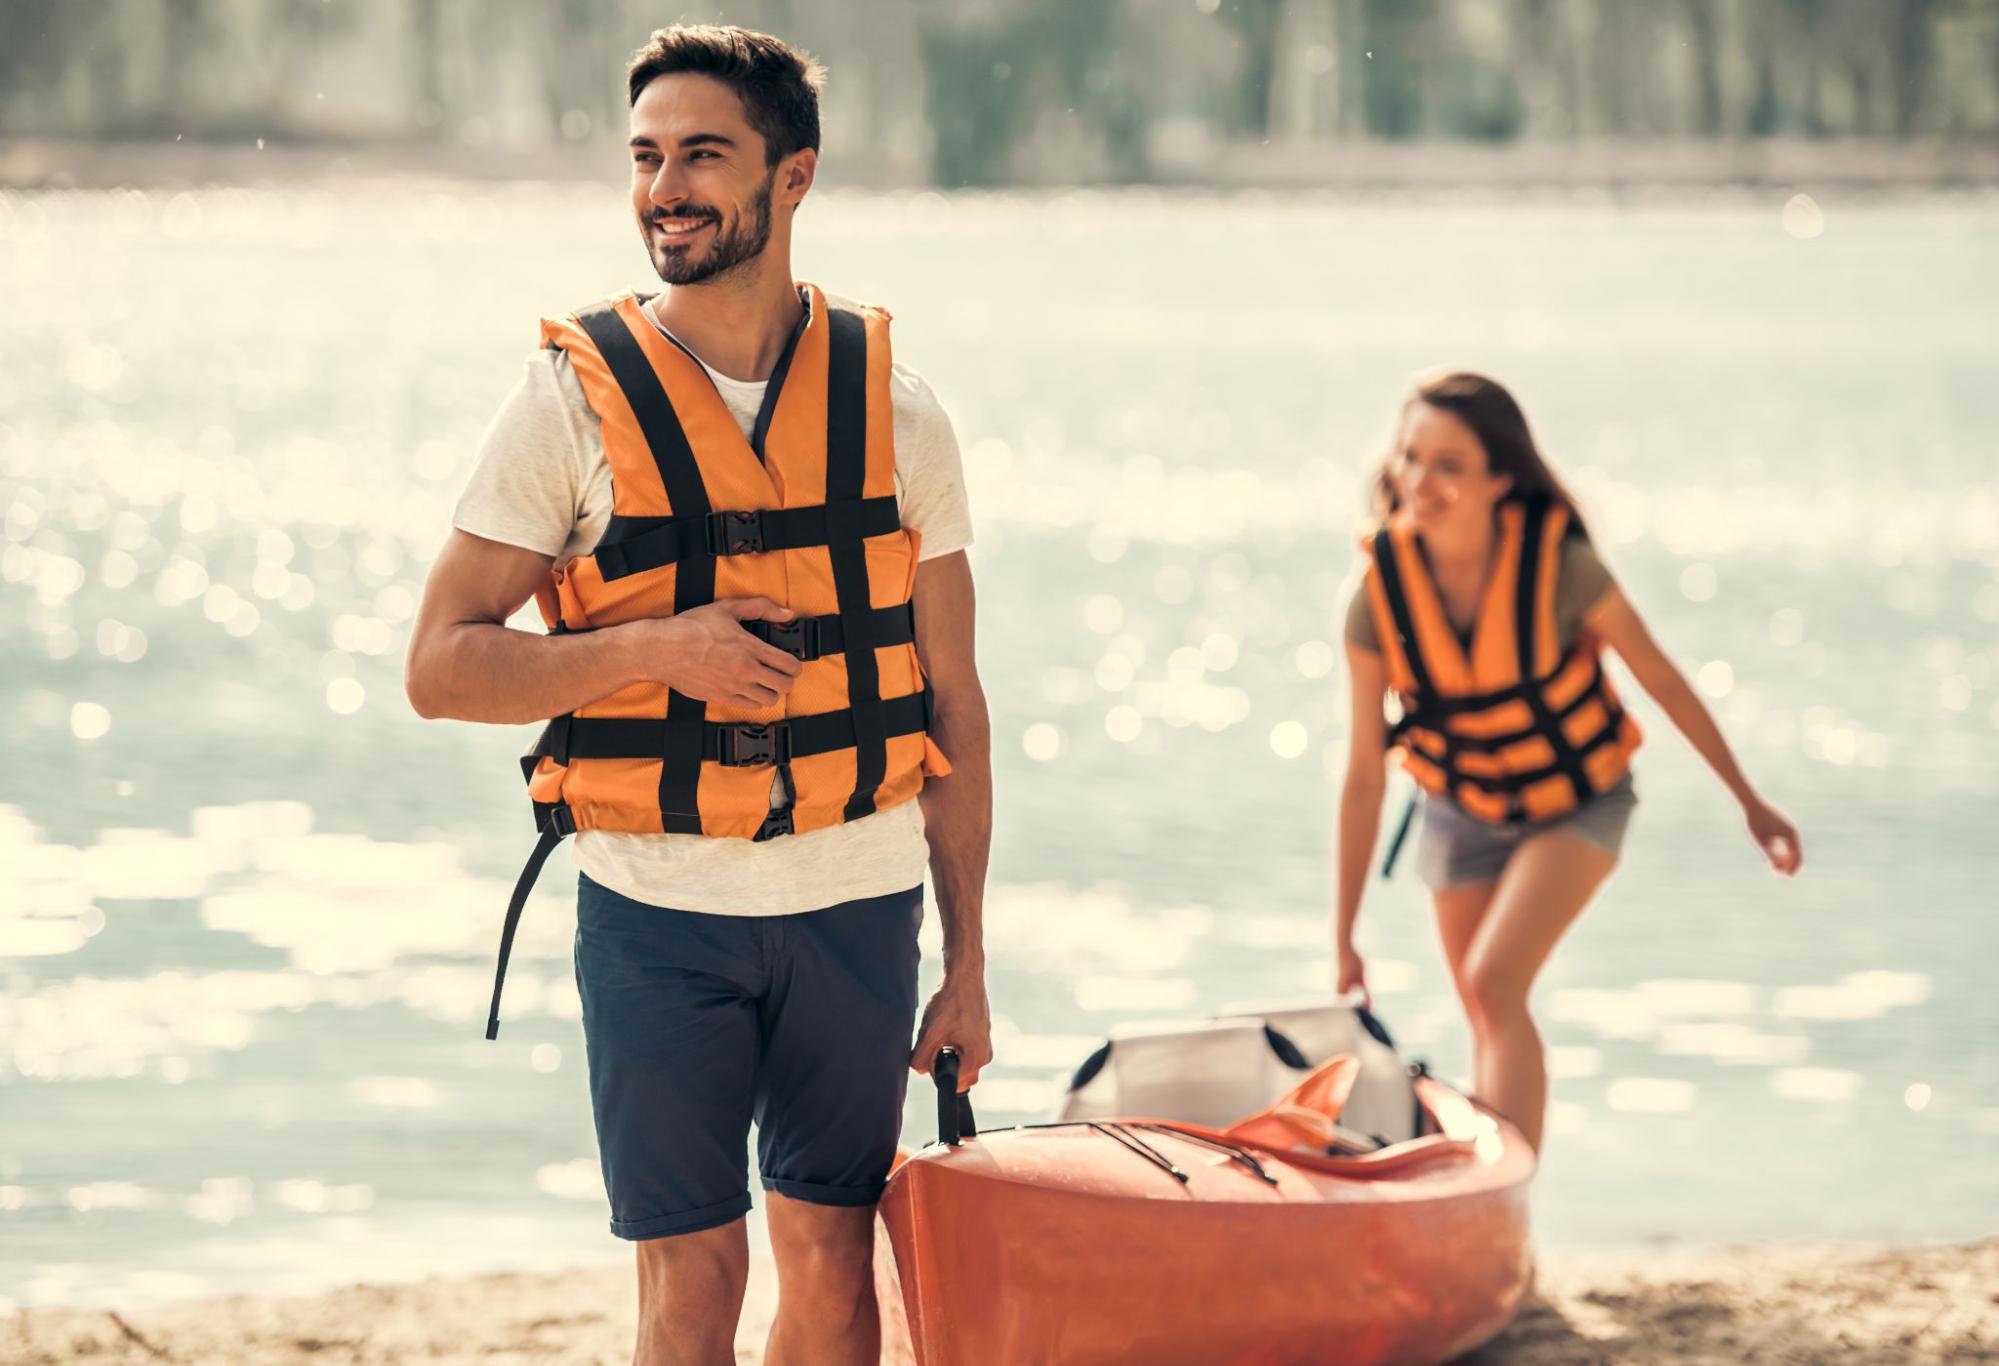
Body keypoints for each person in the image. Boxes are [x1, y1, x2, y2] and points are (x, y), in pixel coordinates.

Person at [404, 25, 994, 1365]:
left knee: (836, 1268)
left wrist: (964, 962)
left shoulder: (899, 413)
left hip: (855, 900)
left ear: (792, 178)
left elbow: (952, 702)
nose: (665, 187)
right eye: (646, 157)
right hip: (656, 911)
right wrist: (652, 649)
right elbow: (439, 663)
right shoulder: (564, 404)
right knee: (690, 1276)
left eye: (702, 156)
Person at [1333, 371, 1801, 1155]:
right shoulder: (1376, 598)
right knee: (1486, 1008)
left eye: (1449, 464)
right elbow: (1360, 776)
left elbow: (1658, 679)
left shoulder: (1562, 569)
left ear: (1499, 479)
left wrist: (1749, 802)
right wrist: (1344, 935)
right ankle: (1494, 1209)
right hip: (1460, 811)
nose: (1420, 479)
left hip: (1579, 801)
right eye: (1410, 457)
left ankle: (1500, 1200)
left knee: (1493, 984)